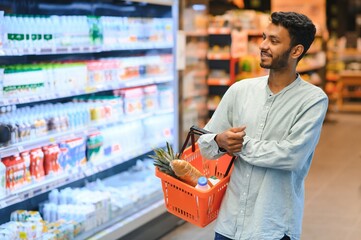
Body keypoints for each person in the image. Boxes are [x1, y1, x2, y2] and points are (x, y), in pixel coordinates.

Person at [198, 11, 328, 240]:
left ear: (296, 51)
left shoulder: (313, 100)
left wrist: (238, 145)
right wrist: (219, 141)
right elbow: (205, 144)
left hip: (272, 227)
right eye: (264, 37)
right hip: (229, 224)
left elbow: (290, 156)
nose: (263, 45)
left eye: (274, 41)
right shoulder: (240, 90)